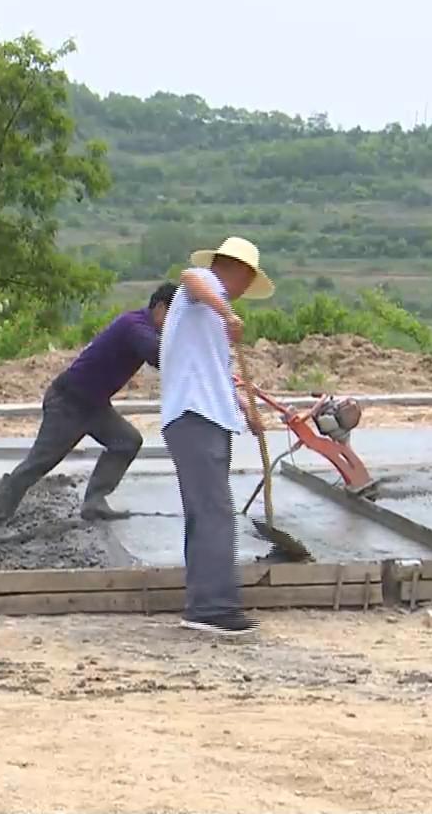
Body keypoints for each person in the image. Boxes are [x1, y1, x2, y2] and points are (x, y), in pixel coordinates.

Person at [0, 282, 179, 541]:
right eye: (175, 317)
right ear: (161, 308)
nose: (175, 325)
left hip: (94, 405)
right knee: (39, 463)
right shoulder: (135, 325)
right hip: (68, 402)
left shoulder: (144, 328)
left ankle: (94, 501)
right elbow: (157, 355)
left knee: (126, 441)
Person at [160, 236, 274, 638]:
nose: (245, 292)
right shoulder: (203, 291)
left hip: (206, 416)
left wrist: (243, 407)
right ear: (240, 271)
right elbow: (189, 276)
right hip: (195, 416)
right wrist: (226, 311)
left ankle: (206, 603)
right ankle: (213, 607)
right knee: (214, 511)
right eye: (247, 280)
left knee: (207, 512)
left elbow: (216, 372)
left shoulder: (209, 316)